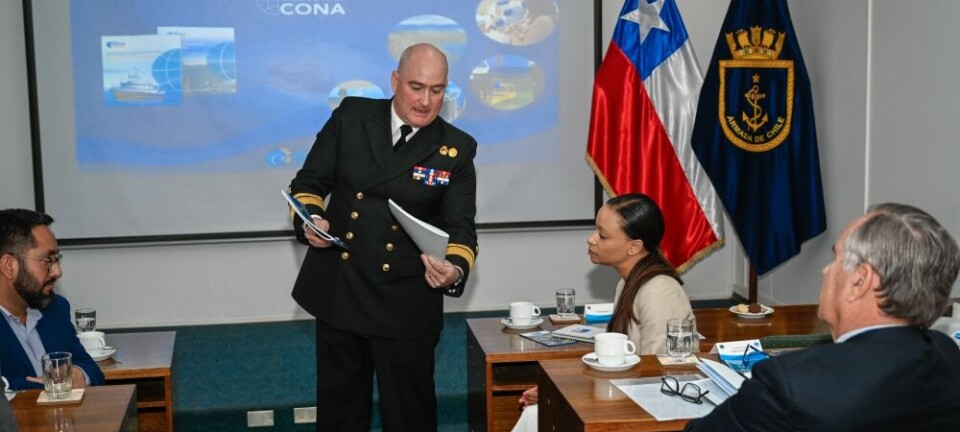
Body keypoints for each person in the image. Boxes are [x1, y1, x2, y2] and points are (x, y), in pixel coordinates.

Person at [287, 42, 478, 431]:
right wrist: (313, 221)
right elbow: (307, 184)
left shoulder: (455, 148)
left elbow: (461, 230)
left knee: (409, 417)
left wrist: (454, 270)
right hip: (342, 292)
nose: (425, 101)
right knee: (340, 415)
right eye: (416, 86)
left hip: (405, 301)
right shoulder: (353, 116)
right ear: (394, 80)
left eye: (437, 90)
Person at [685, 203, 960, 432]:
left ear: (860, 282)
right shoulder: (947, 354)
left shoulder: (790, 383)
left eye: (836, 259)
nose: (826, 271)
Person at [513, 194, 694, 431]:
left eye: (602, 235)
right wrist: (559, 390)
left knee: (541, 416)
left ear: (634, 247)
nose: (591, 239)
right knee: (538, 414)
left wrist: (566, 394)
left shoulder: (659, 290)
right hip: (631, 394)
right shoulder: (629, 282)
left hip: (650, 409)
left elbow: (659, 375)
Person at [0, 209, 105, 391]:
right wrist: (53, 386)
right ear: (9, 266)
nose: (57, 272)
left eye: (57, 259)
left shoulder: (54, 309)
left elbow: (91, 370)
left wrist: (78, 375)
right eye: (48, 260)